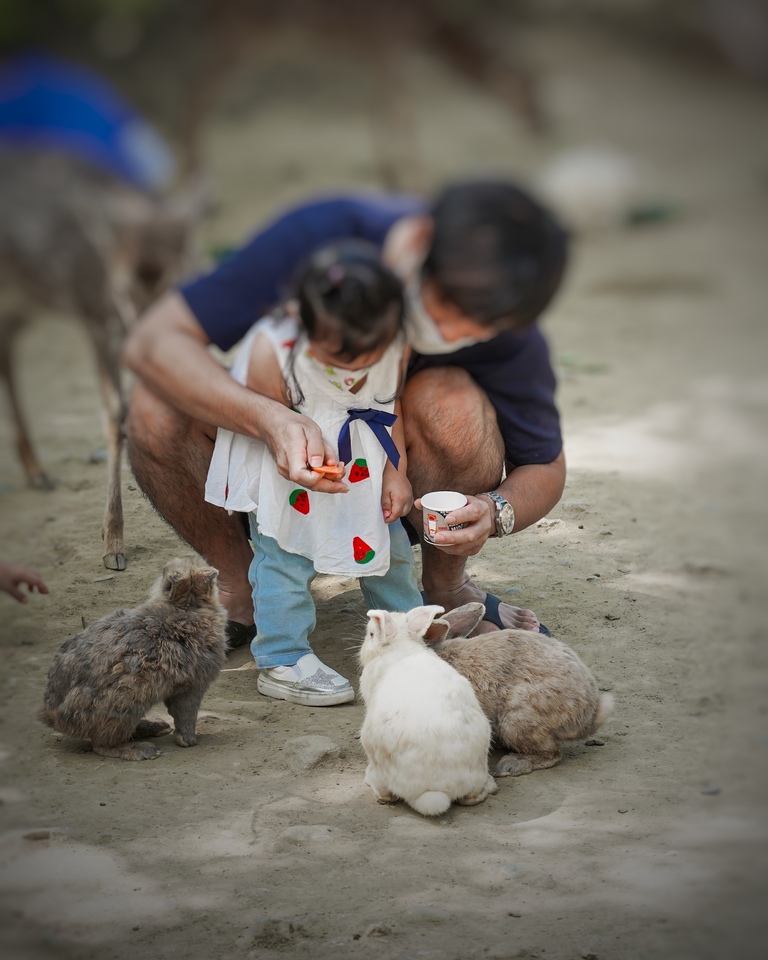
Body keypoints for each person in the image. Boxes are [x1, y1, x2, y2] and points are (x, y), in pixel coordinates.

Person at [123, 179, 568, 649]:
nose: (455, 332)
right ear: (419, 242)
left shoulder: (505, 312)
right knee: (155, 402)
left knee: (450, 396)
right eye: (448, 309)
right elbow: (155, 342)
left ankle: (447, 586)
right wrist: (270, 419)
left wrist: (495, 511)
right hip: (266, 487)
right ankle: (240, 586)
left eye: (482, 328)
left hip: (395, 499)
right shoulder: (325, 235)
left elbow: (544, 464)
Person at [205, 240, 421, 704]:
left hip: (365, 460)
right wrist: (302, 459)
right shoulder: (273, 352)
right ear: (303, 321)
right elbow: (263, 421)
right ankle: (282, 656)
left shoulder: (395, 341)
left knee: (392, 548)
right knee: (284, 555)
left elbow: (388, 405)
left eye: (370, 353)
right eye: (340, 356)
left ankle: (406, 639)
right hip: (287, 463)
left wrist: (395, 472)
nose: (359, 365)